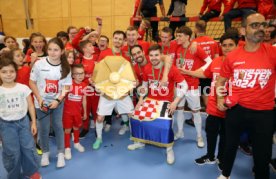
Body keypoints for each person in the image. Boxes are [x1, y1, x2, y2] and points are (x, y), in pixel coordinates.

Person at [216, 13, 276, 179]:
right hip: (237, 110)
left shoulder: (273, 53)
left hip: (264, 113)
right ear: (243, 30)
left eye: (263, 25)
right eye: (255, 25)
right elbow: (221, 81)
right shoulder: (233, 56)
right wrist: (221, 98)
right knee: (229, 146)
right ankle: (225, 174)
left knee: (262, 154)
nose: (261, 28)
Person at [180, 33, 238, 169]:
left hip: (230, 107)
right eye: (224, 45)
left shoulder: (241, 64)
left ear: (237, 46)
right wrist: (187, 72)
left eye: (231, 45)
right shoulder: (216, 62)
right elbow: (204, 74)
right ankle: (210, 156)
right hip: (213, 105)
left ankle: (221, 158)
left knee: (225, 135)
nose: (227, 48)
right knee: (211, 132)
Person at [128, 44, 188, 164]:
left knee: (165, 123)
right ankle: (140, 142)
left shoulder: (171, 69)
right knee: (136, 116)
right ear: (148, 56)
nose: (154, 58)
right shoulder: (147, 68)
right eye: (151, 55)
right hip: (150, 99)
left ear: (161, 55)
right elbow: (145, 85)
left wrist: (176, 102)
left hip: (166, 101)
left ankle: (169, 148)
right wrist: (140, 99)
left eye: (156, 55)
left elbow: (185, 85)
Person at [29, 37, 72, 168]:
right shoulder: (39, 64)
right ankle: (45, 153)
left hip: (57, 102)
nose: (53, 53)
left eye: (56, 50)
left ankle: (60, 153)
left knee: (58, 127)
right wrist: (39, 99)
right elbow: (32, 82)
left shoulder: (65, 67)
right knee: (44, 129)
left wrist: (58, 100)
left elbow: (66, 87)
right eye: (50, 49)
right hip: (41, 103)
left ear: (62, 51)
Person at [0, 57, 41, 179]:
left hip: (23, 123)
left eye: (11, 71)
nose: (8, 74)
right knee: (12, 152)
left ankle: (31, 171)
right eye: (4, 72)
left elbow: (30, 105)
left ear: (16, 73)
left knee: (28, 148)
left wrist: (33, 122)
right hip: (6, 125)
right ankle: (14, 174)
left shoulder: (23, 88)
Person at [174, 26, 212, 148]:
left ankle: (199, 136)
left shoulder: (196, 48)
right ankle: (180, 132)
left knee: (195, 112)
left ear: (187, 37)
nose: (177, 38)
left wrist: (199, 71)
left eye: (180, 36)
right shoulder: (178, 47)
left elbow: (210, 61)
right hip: (179, 85)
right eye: (177, 35)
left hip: (192, 86)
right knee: (179, 110)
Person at [63, 64, 87, 160]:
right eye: (77, 74)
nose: (80, 75)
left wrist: (85, 112)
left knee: (76, 127)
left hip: (78, 112)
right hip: (67, 113)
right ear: (72, 75)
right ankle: (67, 148)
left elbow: (84, 99)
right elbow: (63, 97)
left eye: (82, 73)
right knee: (67, 130)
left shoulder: (84, 85)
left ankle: (76, 143)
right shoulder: (68, 84)